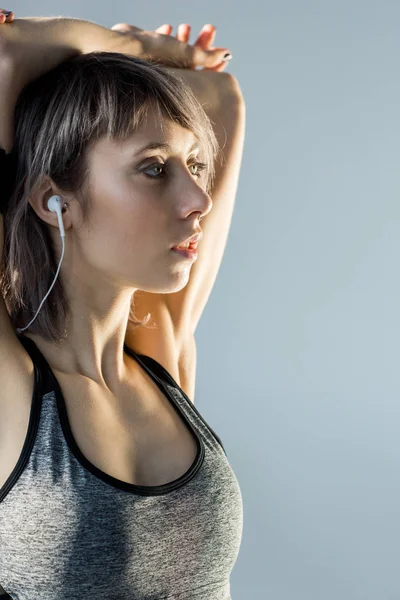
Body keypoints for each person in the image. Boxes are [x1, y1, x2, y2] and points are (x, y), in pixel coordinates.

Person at [0, 11, 245, 600]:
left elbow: (220, 94)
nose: (198, 199)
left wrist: (157, 67)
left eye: (195, 166)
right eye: (154, 168)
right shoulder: (11, 383)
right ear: (54, 200)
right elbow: (6, 53)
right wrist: (137, 45)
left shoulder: (162, 353)